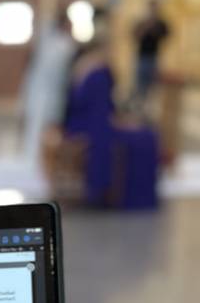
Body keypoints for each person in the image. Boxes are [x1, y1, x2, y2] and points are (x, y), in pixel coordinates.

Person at [63, 15, 159, 210]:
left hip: (81, 120)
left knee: (141, 134)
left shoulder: (84, 64)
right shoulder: (99, 71)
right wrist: (124, 122)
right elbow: (102, 112)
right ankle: (131, 197)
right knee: (145, 139)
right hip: (93, 125)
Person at [21, 9, 76, 159]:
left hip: (52, 91)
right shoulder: (60, 44)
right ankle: (36, 157)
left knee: (47, 126)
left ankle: (41, 157)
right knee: (40, 126)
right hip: (45, 91)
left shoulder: (58, 43)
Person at [132, 0, 170, 102]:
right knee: (140, 84)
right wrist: (146, 27)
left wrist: (154, 27)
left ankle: (148, 106)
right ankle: (139, 105)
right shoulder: (142, 21)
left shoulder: (160, 23)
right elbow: (135, 36)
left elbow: (165, 35)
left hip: (153, 56)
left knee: (153, 86)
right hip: (142, 57)